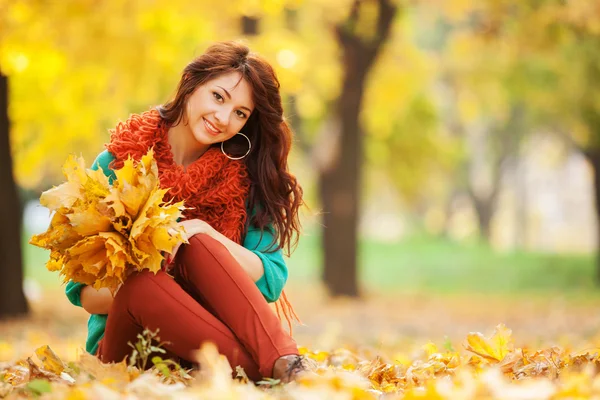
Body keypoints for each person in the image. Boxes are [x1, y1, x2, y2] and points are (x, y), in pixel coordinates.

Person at [64, 41, 308, 383]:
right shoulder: (116, 165)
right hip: (129, 351)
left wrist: (208, 236)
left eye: (241, 113)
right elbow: (87, 295)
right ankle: (272, 370)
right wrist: (160, 256)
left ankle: (285, 363)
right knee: (143, 283)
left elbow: (270, 279)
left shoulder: (244, 180)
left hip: (210, 344)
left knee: (200, 243)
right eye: (218, 97)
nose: (224, 118)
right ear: (192, 83)